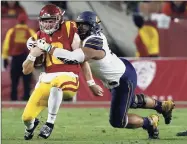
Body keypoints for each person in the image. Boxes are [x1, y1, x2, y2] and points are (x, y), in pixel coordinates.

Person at [36, 11, 175, 139]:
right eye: (79, 26)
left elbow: (74, 58)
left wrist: (48, 48)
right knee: (131, 101)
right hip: (121, 71)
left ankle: (150, 122)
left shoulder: (94, 41)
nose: (79, 29)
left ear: (92, 27)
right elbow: (81, 59)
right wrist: (91, 83)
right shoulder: (86, 39)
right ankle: (162, 106)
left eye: (83, 26)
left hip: (122, 79)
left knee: (118, 120)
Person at [22, 5, 102, 140]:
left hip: (68, 76)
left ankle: (49, 123)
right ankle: (31, 126)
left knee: (56, 85)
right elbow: (26, 70)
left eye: (51, 20)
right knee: (26, 117)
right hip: (47, 78)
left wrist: (90, 82)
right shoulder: (37, 37)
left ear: (59, 19)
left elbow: (82, 58)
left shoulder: (70, 28)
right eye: (45, 21)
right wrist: (32, 56)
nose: (48, 24)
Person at [2, 13, 35, 101]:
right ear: (26, 21)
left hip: (15, 59)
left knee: (14, 81)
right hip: (27, 59)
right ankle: (26, 98)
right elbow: (35, 46)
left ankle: (13, 98)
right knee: (26, 81)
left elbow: (6, 45)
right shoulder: (30, 32)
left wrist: (5, 57)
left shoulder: (12, 31)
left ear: (18, 20)